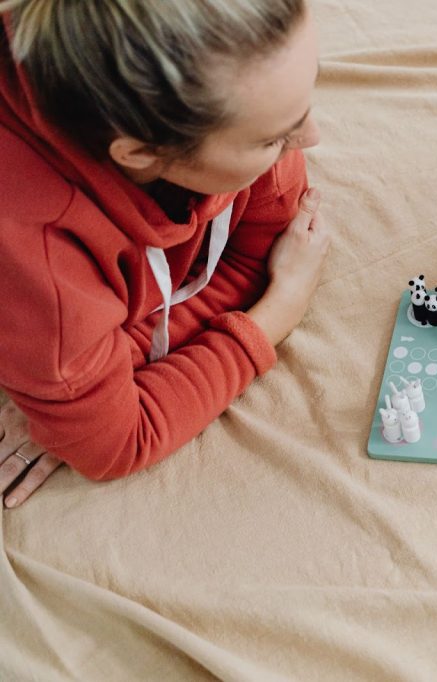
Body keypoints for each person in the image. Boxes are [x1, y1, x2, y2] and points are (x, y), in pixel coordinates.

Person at [0, 0, 329, 507]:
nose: (311, 136)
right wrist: (276, 314)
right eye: (273, 137)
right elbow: (120, 446)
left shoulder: (229, 71)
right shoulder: (34, 255)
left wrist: (102, 370)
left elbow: (254, 254)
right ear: (139, 153)